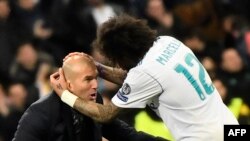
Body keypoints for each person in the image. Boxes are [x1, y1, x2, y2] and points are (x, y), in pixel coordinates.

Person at [50, 15, 239, 141]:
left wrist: (65, 94)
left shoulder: (144, 74)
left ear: (122, 55)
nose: (119, 64)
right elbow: (139, 79)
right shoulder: (168, 42)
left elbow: (105, 114)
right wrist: (96, 67)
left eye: (116, 60)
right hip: (231, 128)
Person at [13, 54, 167, 141]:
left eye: (95, 78)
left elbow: (126, 136)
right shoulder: (40, 114)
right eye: (88, 79)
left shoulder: (94, 101)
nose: (95, 84)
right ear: (69, 84)